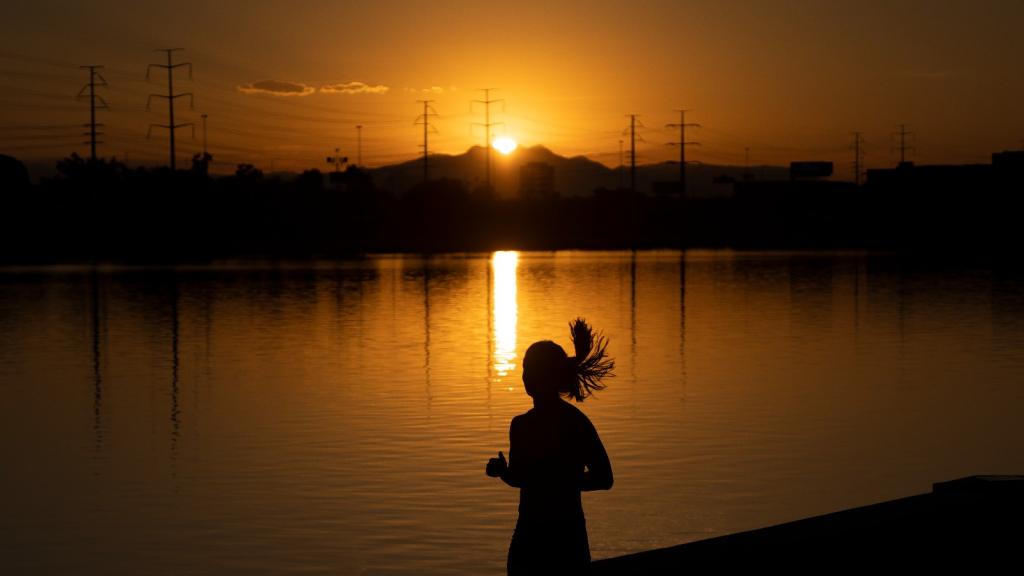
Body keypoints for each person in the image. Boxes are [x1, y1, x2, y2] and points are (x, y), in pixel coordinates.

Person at [486, 318, 615, 575]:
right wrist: (503, 472)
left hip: (566, 540)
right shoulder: (520, 425)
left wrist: (560, 481)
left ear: (546, 377)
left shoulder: (575, 423)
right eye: (524, 369)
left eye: (530, 369)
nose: (524, 376)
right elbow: (522, 479)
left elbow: (605, 478)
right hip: (528, 539)